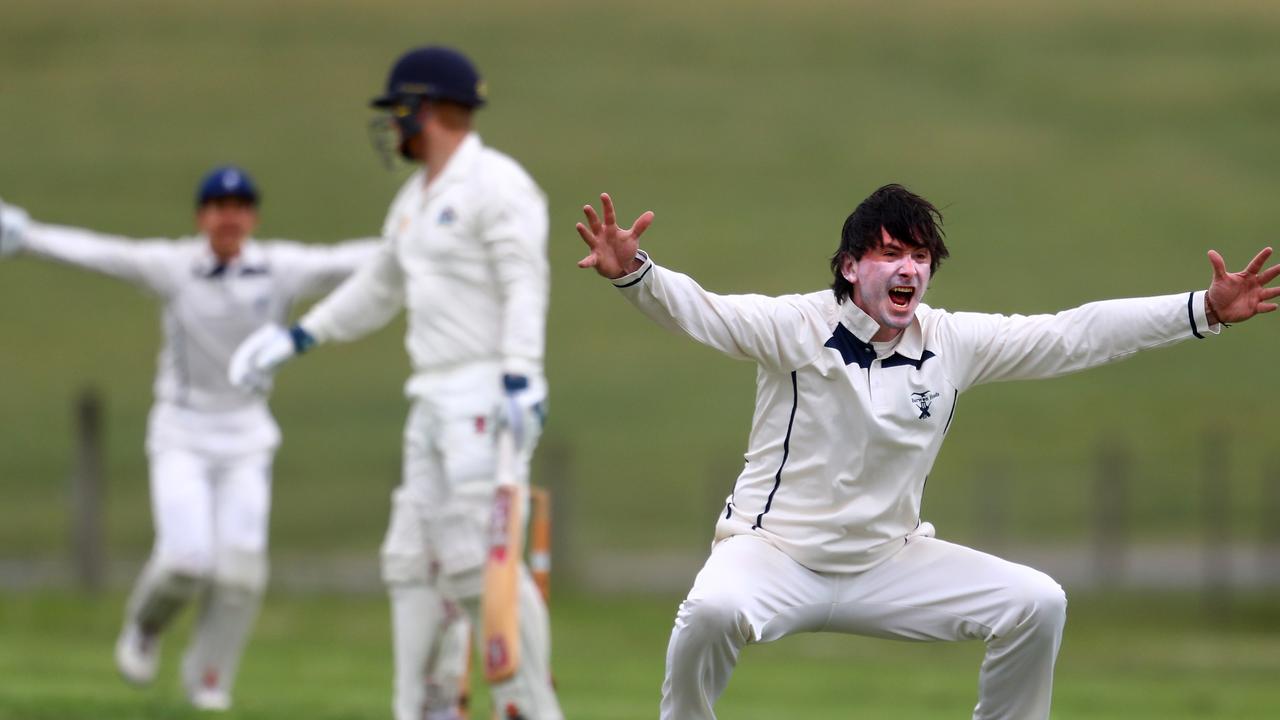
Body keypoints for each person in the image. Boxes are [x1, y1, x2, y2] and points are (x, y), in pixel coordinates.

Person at [574, 185, 1280, 720]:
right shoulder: (795, 327)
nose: (908, 268)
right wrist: (635, 272)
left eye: (919, 257)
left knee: (1037, 602)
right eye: (889, 253)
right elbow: (705, 310)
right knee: (711, 612)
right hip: (774, 554)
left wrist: (1202, 310)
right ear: (851, 267)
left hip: (887, 561)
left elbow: (1074, 333)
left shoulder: (951, 342)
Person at [228, 46, 562, 720]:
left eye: (400, 112)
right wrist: (298, 336)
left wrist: (523, 376)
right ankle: (422, 708)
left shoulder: (498, 184)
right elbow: (380, 286)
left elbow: (525, 281)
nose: (394, 127)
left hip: (485, 392)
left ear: (429, 108)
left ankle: (531, 709)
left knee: (477, 563)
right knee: (411, 560)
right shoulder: (415, 199)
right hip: (430, 396)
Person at [0, 168, 378, 711]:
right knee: (185, 560)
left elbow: (351, 259)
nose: (230, 216)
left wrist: (430, 239)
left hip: (247, 437)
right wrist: (27, 236)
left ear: (254, 217)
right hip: (183, 432)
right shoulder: (174, 267)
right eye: (219, 206)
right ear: (201, 217)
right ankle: (145, 627)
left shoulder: (280, 268)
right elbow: (102, 252)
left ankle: (208, 679)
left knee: (241, 572)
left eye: (241, 206)